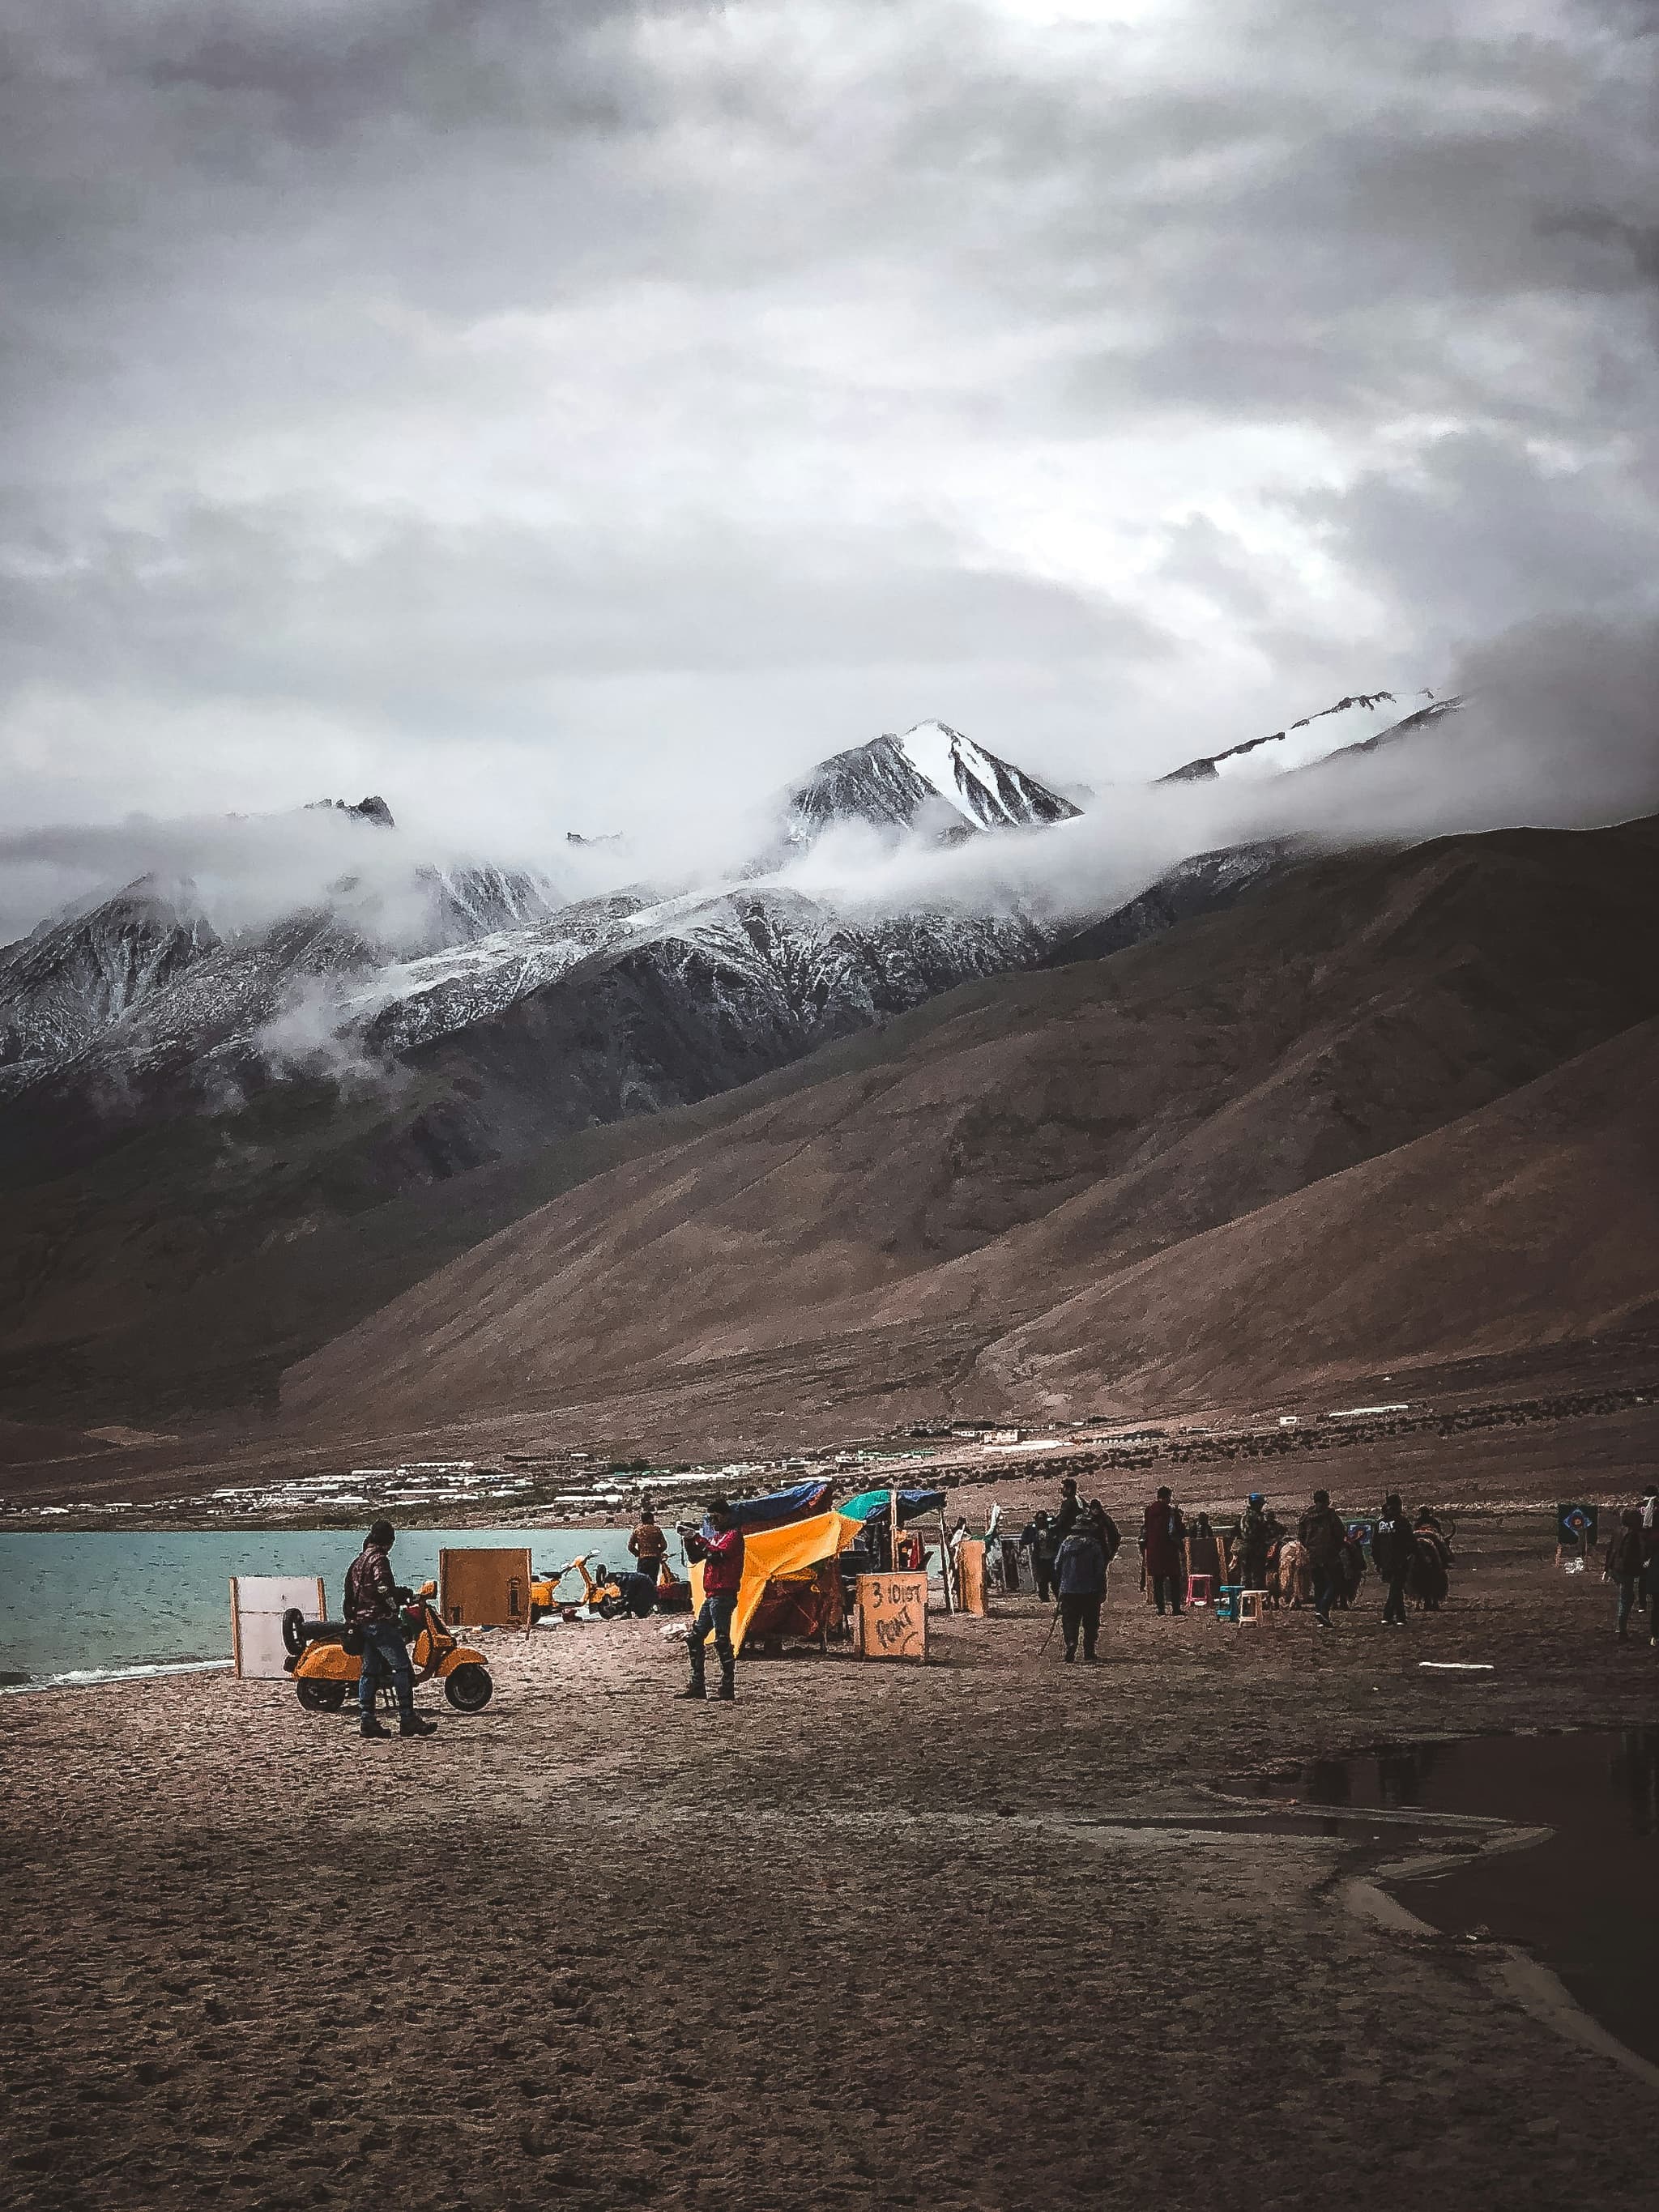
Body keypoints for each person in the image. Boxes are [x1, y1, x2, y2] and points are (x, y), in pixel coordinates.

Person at [343, 1519, 437, 1741]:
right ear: (388, 1541)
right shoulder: (379, 1559)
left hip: (361, 1624)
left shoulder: (358, 1562)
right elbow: (384, 1588)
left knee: (369, 1671)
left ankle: (367, 1719)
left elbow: (349, 1594)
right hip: (379, 1622)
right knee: (402, 1668)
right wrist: (395, 1606)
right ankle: (407, 1717)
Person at [680, 1497, 744, 1701]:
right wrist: (689, 1540)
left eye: (716, 1518)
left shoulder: (733, 1536)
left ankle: (727, 1687)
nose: (714, 1522)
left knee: (722, 1640)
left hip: (723, 1594)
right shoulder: (719, 1537)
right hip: (713, 1594)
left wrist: (698, 1538)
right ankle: (698, 1685)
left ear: (725, 1516)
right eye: (711, 1518)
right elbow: (697, 1557)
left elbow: (716, 1556)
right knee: (695, 1638)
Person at [1055, 1517, 1107, 1663]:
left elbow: (1057, 1565)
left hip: (1069, 1589)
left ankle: (1071, 1642)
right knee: (1091, 1622)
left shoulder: (1066, 1544)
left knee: (1070, 1620)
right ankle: (1089, 1652)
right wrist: (1103, 1588)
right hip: (1090, 1590)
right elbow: (1100, 1570)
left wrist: (1063, 1582)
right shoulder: (1094, 1545)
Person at [1299, 1490, 1348, 1629]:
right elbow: (1340, 1533)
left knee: (1319, 1585)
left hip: (1312, 1555)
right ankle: (1323, 1610)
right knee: (1336, 1582)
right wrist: (1337, 1547)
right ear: (1327, 1500)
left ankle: (1321, 1614)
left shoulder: (1306, 1516)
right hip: (1330, 1554)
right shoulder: (1331, 1515)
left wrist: (1309, 1547)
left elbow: (1301, 1536)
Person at [1371, 1494, 1415, 1627]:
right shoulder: (1402, 1522)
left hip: (1385, 1562)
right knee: (1396, 1589)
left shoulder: (1379, 1524)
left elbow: (1375, 1545)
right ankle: (1393, 1616)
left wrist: (1378, 1562)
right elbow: (1411, 1543)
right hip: (1400, 1562)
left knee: (1395, 1588)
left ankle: (1393, 1617)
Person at [1141, 1486, 1186, 1615]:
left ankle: (1161, 1609)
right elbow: (1172, 1531)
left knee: (1158, 1582)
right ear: (1167, 1497)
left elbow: (1146, 1529)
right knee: (1174, 1581)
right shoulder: (1169, 1512)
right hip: (1168, 1551)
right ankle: (1176, 1609)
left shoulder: (1149, 1511)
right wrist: (1180, 1545)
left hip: (1154, 1551)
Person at [1604, 1508, 1646, 1641]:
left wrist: (1606, 1569)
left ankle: (1621, 1628)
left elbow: (1611, 1550)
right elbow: (1629, 1554)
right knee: (1626, 1599)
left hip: (1615, 1569)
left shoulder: (1618, 1530)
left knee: (1627, 1597)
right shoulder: (1633, 1534)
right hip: (1624, 1570)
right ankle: (1621, 1630)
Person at [1020, 1510, 1060, 1602]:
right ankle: (1045, 1599)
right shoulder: (1032, 1529)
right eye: (1039, 1519)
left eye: (1043, 1519)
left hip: (1052, 1558)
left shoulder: (1052, 1529)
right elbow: (1023, 1540)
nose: (1041, 1521)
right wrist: (1035, 1538)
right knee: (1042, 1581)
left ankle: (1059, 1599)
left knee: (1055, 1581)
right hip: (1040, 1559)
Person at [1232, 1494, 1270, 1591]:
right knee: (1257, 1577)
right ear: (1256, 1504)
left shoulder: (1243, 1517)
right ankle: (1256, 1602)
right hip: (1255, 1550)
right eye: (1260, 1505)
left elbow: (1235, 1533)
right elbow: (1260, 1534)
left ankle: (1244, 1601)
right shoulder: (1258, 1518)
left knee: (1245, 1576)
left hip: (1244, 1550)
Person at [628, 1506, 669, 1587]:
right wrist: (657, 1551)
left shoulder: (637, 1531)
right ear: (650, 1519)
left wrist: (638, 1554)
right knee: (652, 1581)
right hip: (654, 1559)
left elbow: (630, 1547)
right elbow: (664, 1545)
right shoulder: (657, 1530)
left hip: (643, 1559)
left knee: (641, 1581)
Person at [1188, 1512, 1223, 1592]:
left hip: (1206, 1554)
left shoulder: (1207, 1528)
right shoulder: (1194, 1528)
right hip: (1196, 1554)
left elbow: (1210, 1538)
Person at [1052, 1477, 1082, 1546]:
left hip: (1069, 1534)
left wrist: (1054, 1527)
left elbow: (1062, 1519)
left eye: (1064, 1488)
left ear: (1069, 1489)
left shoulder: (1068, 1502)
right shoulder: (1079, 1499)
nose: (1062, 1491)